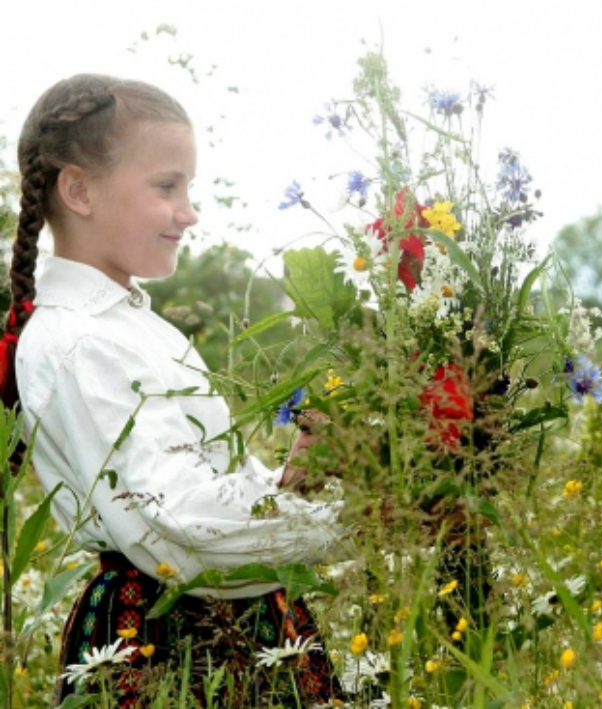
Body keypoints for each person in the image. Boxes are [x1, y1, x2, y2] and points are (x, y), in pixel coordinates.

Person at [4, 74, 346, 707]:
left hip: (228, 610)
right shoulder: (79, 343)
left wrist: (294, 482)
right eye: (167, 187)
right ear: (79, 189)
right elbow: (177, 527)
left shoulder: (137, 327)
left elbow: (202, 491)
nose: (188, 212)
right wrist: (342, 524)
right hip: (167, 634)